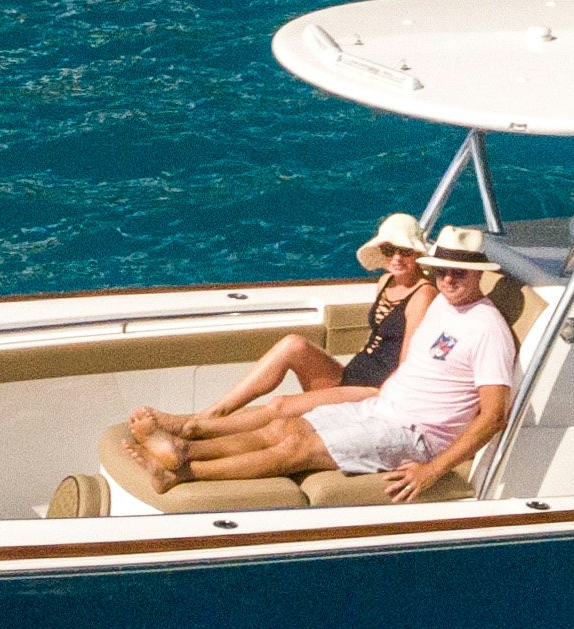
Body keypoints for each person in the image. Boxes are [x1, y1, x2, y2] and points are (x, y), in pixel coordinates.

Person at [142, 227, 519, 503]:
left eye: (459, 272)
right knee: (283, 425)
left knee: (297, 446)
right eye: (442, 271)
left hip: (418, 435)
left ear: (479, 274)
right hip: (381, 408)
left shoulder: (487, 329)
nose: (449, 279)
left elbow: (493, 416)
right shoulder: (440, 302)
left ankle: (181, 473)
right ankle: (184, 449)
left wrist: (432, 470)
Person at [130, 213, 426, 446]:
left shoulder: (423, 295)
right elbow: (376, 341)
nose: (396, 258)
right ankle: (213, 414)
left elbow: (407, 365)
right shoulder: (385, 282)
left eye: (404, 251)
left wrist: (372, 399)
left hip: (374, 394)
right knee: (293, 344)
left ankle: (192, 428)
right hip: (350, 377)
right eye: (389, 250)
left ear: (417, 253)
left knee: (282, 405)